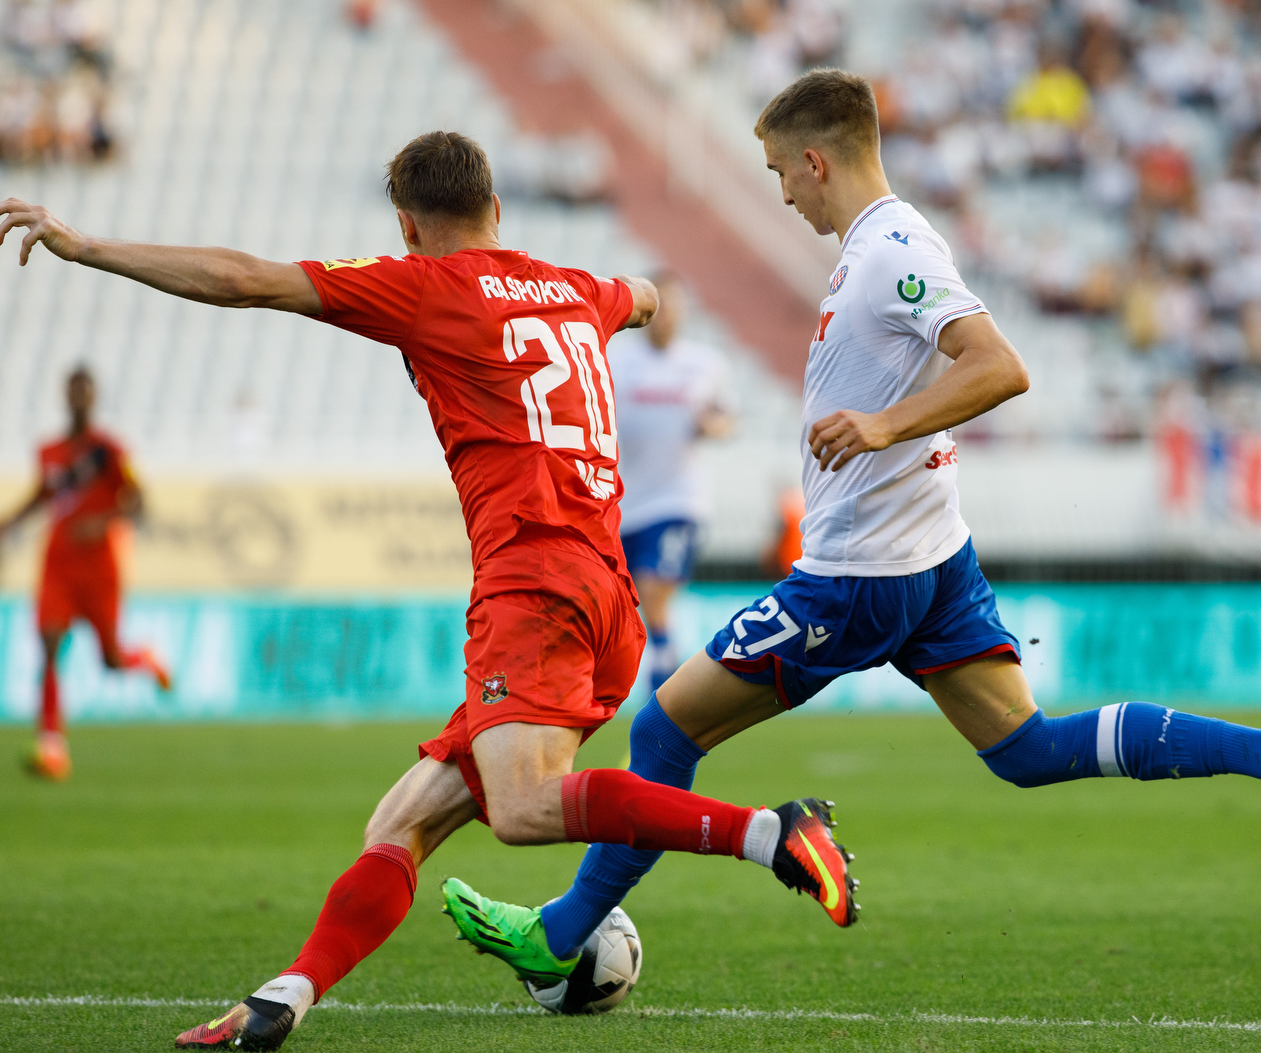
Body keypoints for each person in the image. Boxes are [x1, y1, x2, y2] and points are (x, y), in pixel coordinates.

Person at [0, 130, 856, 1052]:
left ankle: (770, 833)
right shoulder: (575, 287)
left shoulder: (426, 285)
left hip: (533, 585)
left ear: (408, 226)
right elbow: (645, 297)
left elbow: (246, 278)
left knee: (528, 805)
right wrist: (637, 302)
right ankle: (285, 997)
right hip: (603, 593)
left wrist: (86, 246)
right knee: (401, 823)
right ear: (496, 205)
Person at [514, 69, 1261, 971]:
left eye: (779, 173)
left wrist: (883, 425)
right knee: (1027, 748)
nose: (780, 192)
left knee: (663, 731)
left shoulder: (891, 252)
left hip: (858, 576)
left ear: (816, 161)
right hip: (931, 558)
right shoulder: (879, 247)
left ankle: (559, 934)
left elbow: (1000, 364)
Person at [0, 366, 170, 780]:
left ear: (94, 398)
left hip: (99, 568)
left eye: (85, 390)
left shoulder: (110, 452)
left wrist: (105, 520)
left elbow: (139, 503)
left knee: (110, 660)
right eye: (73, 389)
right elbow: (41, 497)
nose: (79, 397)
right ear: (66, 395)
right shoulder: (49, 452)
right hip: (58, 563)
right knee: (50, 646)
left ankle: (142, 658)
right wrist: (7, 526)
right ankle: (52, 747)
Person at [608, 272, 733, 693]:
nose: (665, 317)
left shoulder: (704, 364)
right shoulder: (616, 358)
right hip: (624, 502)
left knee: (654, 594)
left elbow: (725, 418)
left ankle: (662, 693)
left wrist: (711, 426)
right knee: (632, 603)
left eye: (673, 307)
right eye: (658, 308)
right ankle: (660, 675)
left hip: (678, 500)